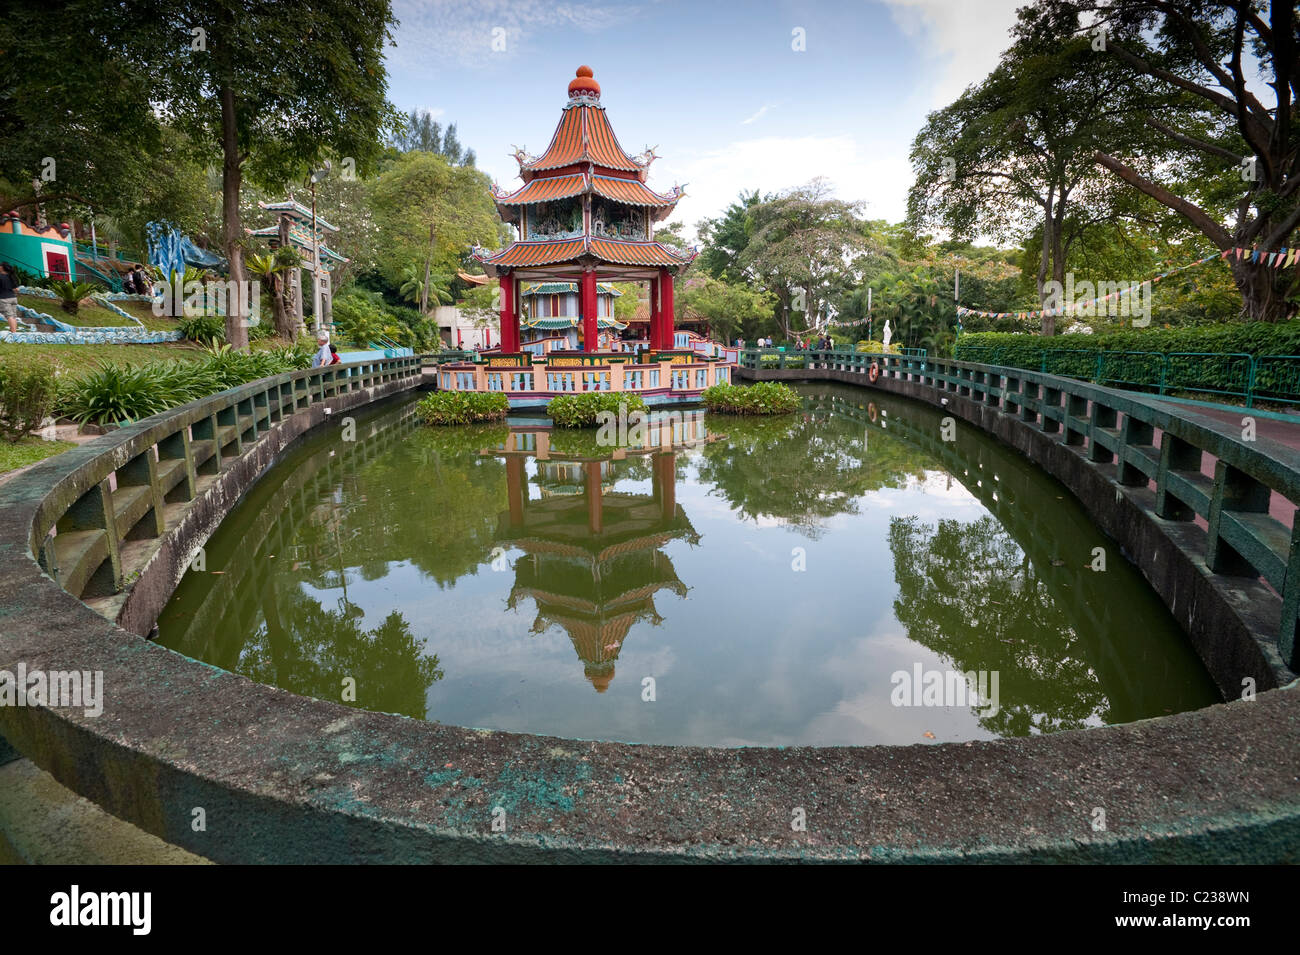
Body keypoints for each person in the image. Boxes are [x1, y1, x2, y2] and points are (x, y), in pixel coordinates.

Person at [0, 262, 18, 333]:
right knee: (13, 316)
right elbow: (16, 289)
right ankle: (13, 331)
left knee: (9, 316)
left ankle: (13, 333)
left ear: (2, 267)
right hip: (13, 298)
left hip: (4, 299)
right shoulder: (11, 276)